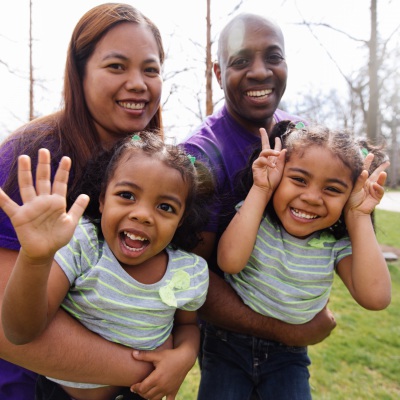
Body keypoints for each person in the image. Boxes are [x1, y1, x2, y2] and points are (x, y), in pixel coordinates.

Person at [0, 3, 195, 400]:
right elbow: (10, 331)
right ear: (80, 72)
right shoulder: (29, 158)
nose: (139, 83)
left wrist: (184, 353)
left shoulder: (156, 169)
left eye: (151, 69)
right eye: (117, 66)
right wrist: (149, 367)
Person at [1, 132, 214, 400]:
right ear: (102, 199)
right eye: (127, 195)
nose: (143, 215)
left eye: (165, 207)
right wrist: (35, 258)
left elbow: (187, 327)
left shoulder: (189, 270)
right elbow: (21, 331)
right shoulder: (83, 244)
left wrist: (183, 356)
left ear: (181, 220)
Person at [182, 12, 336, 365]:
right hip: (226, 349)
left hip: (290, 354)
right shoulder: (198, 158)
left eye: (273, 56)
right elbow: (191, 272)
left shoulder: (304, 137)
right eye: (240, 60)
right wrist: (288, 331)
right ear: (218, 73)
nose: (260, 71)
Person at [198, 121, 391, 399]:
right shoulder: (256, 219)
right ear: (279, 176)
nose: (312, 198)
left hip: (288, 357)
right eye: (299, 180)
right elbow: (229, 262)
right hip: (227, 345)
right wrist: (261, 189)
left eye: (333, 189)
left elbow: (376, 298)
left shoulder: (334, 246)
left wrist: (358, 216)